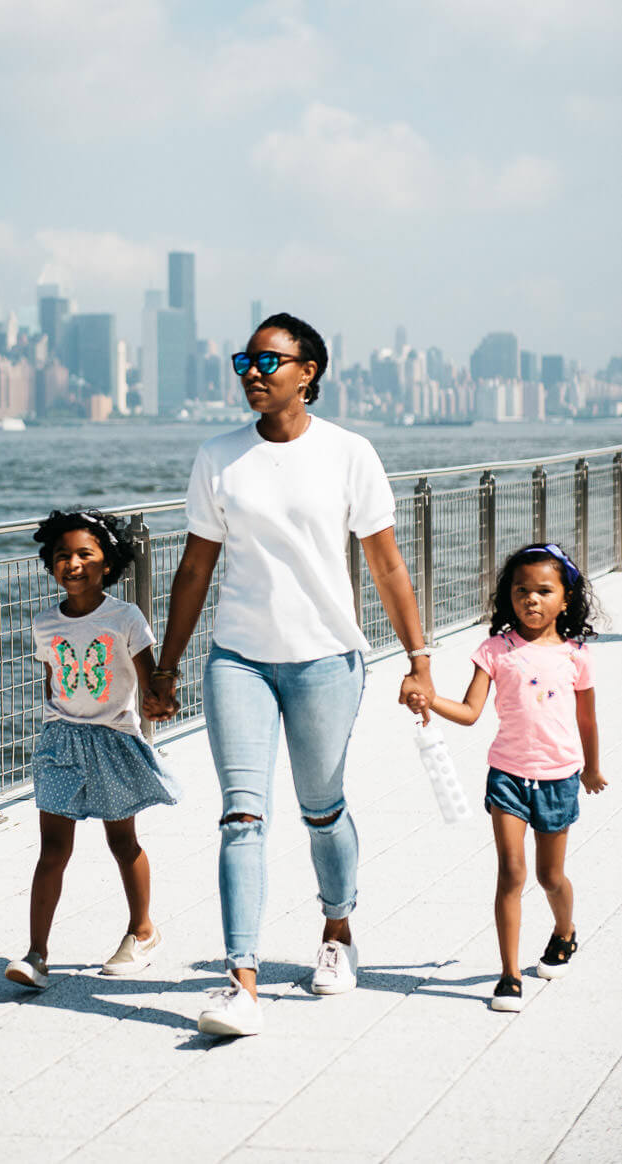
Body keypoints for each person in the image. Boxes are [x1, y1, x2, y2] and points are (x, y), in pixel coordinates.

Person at [152, 312, 435, 1038]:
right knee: (241, 815)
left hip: (325, 661)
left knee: (321, 808)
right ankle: (238, 979)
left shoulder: (349, 454)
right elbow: (193, 568)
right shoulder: (217, 457)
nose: (252, 371)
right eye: (243, 359)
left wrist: (418, 661)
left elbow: (386, 564)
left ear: (307, 372)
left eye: (268, 360)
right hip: (238, 659)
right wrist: (166, 666)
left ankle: (337, 933)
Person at [408, 542, 607, 1014]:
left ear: (565, 598)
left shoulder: (577, 657)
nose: (531, 600)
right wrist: (428, 701)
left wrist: (592, 768)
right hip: (508, 777)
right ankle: (510, 974)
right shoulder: (494, 650)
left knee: (550, 875)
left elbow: (587, 721)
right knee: (512, 872)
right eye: (521, 590)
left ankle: (564, 931)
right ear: (508, 596)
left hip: (559, 777)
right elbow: (471, 712)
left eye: (543, 590)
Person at [4, 508, 180, 992]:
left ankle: (142, 930)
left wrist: (160, 702)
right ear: (50, 564)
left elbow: (150, 681)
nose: (73, 563)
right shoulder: (44, 623)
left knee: (122, 843)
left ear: (108, 563)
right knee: (52, 850)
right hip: (60, 741)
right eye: (62, 555)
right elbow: (52, 682)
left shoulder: (125, 617)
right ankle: (37, 953)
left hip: (112, 741)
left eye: (85, 553)